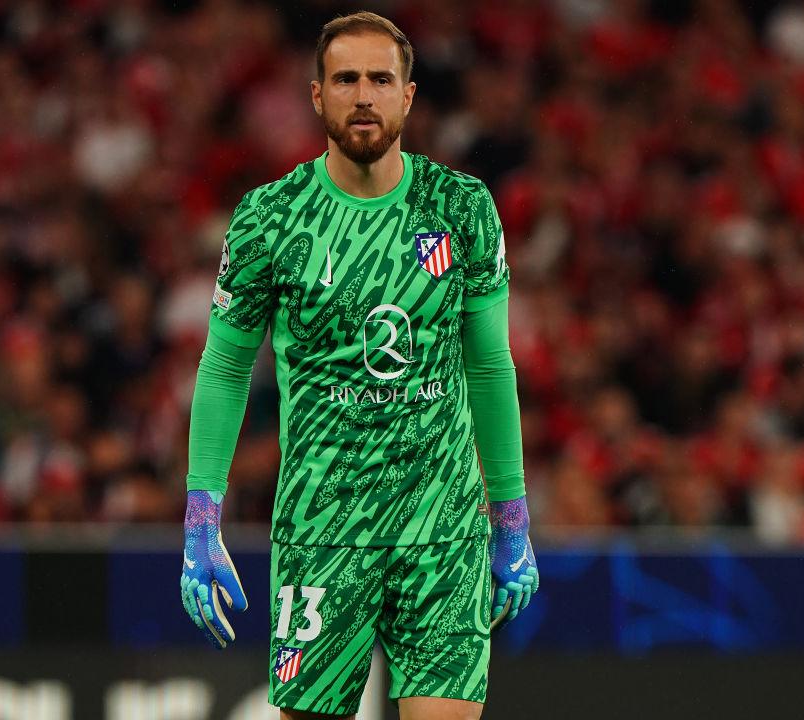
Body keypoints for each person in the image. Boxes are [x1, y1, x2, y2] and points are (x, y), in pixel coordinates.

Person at [180, 12, 538, 720]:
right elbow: (224, 369)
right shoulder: (270, 219)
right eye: (346, 79)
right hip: (322, 527)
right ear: (317, 95)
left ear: (409, 95)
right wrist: (200, 516)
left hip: (442, 528)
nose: (364, 95)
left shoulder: (461, 208)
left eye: (381, 78)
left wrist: (513, 517)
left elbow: (491, 369)